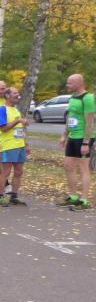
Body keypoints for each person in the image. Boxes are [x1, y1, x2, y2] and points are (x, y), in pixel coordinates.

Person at [57, 73, 94, 210]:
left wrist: (86, 142)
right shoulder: (72, 97)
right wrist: (64, 135)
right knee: (68, 166)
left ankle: (84, 200)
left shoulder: (87, 98)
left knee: (84, 167)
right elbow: (70, 117)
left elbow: (90, 122)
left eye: (70, 83)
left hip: (83, 137)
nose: (67, 85)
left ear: (79, 83)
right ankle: (73, 196)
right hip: (73, 137)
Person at [0, 87, 30, 207]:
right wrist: (18, 121)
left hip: (19, 145)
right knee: (6, 171)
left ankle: (14, 197)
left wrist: (26, 144)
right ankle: (0, 196)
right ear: (7, 95)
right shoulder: (2, 110)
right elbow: (4, 128)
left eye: (18, 93)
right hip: (8, 145)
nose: (17, 95)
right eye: (15, 93)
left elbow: (20, 129)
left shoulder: (16, 110)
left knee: (19, 171)